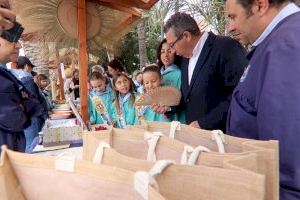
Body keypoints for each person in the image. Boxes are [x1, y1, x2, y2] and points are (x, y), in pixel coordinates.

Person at [224, 0, 300, 198]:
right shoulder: (276, 42)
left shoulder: (286, 45)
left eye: (233, 16)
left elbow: (289, 162)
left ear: (260, 5)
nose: (230, 27)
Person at [159, 12, 248, 132]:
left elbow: (240, 95)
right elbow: (189, 98)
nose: (173, 51)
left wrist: (204, 123)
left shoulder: (226, 47)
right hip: (197, 140)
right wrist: (168, 107)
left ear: (186, 36)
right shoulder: (185, 59)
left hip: (223, 138)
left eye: (172, 45)